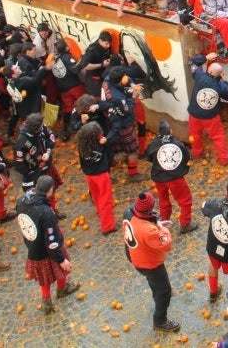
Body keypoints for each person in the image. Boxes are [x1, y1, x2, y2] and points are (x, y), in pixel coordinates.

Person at [16, 175, 79, 314]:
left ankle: (46, 302)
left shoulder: (21, 201)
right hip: (47, 249)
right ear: (49, 190)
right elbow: (51, 242)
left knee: (44, 279)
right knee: (62, 268)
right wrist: (61, 259)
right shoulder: (46, 212)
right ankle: (62, 289)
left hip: (33, 247)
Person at [122, 191, 179, 333]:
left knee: (155, 283)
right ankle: (160, 321)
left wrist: (157, 223)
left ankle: (157, 293)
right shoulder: (148, 231)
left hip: (135, 256)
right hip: (150, 264)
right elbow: (166, 244)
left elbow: (144, 222)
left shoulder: (129, 213)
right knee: (164, 291)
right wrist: (163, 228)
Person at [144, 120, 196, 234]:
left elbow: (148, 156)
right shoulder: (178, 143)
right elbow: (187, 158)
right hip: (175, 178)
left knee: (163, 200)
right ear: (170, 131)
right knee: (185, 200)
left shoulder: (154, 143)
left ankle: (164, 223)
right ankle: (185, 224)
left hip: (159, 178)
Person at [188, 54, 228, 165]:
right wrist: (224, 81)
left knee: (194, 135)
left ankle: (196, 154)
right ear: (220, 74)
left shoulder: (199, 76)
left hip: (194, 114)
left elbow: (192, 64)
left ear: (208, 71)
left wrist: (205, 59)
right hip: (211, 117)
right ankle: (224, 159)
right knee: (218, 137)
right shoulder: (220, 85)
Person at [75, 122, 117, 235]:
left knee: (97, 197)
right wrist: (105, 143)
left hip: (89, 176)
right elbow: (109, 156)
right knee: (106, 199)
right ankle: (107, 226)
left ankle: (101, 213)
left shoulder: (82, 146)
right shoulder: (100, 145)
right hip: (101, 175)